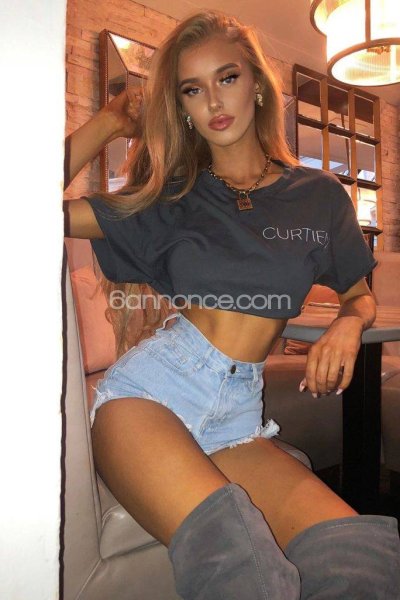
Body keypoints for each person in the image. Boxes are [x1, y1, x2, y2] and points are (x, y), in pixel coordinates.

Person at [63, 9, 400, 599]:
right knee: (241, 573)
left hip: (239, 415)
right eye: (192, 89)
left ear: (258, 87)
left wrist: (348, 325)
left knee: (362, 561)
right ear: (182, 108)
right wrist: (111, 123)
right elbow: (15, 201)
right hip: (149, 397)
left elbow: (358, 296)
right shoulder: (169, 199)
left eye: (227, 77)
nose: (214, 101)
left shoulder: (318, 196)